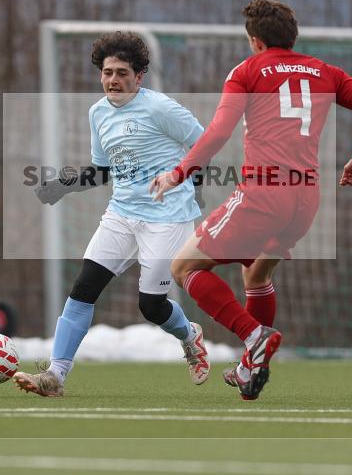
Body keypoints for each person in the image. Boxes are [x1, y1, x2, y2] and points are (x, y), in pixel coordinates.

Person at [150, 0, 352, 400]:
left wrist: (179, 172)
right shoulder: (326, 72)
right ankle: (250, 368)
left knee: (184, 266)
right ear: (292, 37)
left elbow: (219, 130)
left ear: (255, 41)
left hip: (263, 193)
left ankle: (253, 335)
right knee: (257, 276)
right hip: (306, 200)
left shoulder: (248, 71)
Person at [13, 32, 209, 396]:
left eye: (122, 73)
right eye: (107, 72)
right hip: (121, 214)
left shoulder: (160, 108)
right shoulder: (98, 113)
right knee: (83, 288)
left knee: (151, 306)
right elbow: (103, 169)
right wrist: (64, 185)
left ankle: (189, 337)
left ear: (139, 76)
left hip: (168, 217)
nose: (113, 80)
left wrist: (191, 184)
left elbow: (205, 143)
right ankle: (55, 375)